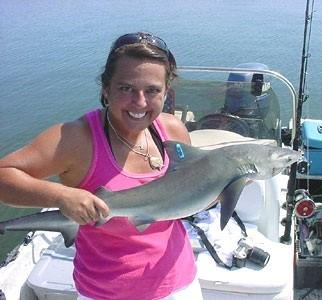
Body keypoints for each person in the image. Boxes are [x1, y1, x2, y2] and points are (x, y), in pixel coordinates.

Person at [0, 32, 202, 300]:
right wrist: (61, 195)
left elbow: (190, 186)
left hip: (179, 282)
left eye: (152, 90)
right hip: (107, 292)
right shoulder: (75, 139)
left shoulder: (173, 131)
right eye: (126, 88)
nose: (140, 103)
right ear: (106, 90)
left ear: (166, 92)